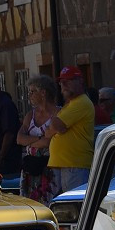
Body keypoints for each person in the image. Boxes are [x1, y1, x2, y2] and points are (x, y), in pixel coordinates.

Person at [44, 66, 96, 195]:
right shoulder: (71, 104)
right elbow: (48, 131)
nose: (64, 85)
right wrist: (53, 127)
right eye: (61, 82)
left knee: (72, 205)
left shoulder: (81, 102)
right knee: (62, 206)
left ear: (80, 81)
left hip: (74, 165)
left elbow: (56, 127)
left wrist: (53, 126)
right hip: (65, 164)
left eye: (68, 81)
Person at [17, 75, 60, 204]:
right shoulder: (30, 115)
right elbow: (19, 139)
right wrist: (40, 138)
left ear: (43, 93)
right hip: (30, 168)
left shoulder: (58, 113)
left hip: (49, 168)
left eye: (32, 91)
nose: (29, 95)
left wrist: (30, 141)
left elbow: (48, 142)